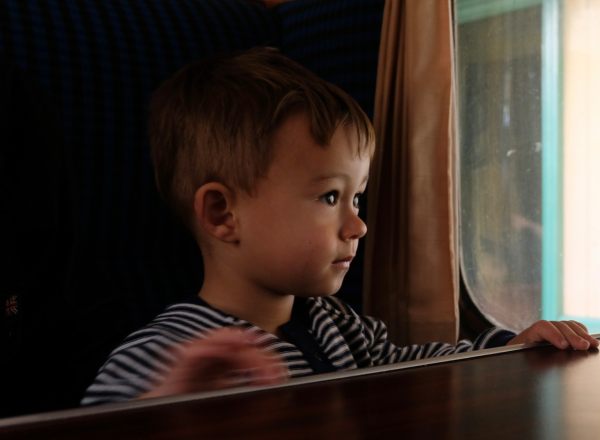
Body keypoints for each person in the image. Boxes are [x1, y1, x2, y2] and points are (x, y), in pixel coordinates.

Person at [82, 47, 598, 405]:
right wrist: (165, 409)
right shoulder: (162, 354)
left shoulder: (336, 324)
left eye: (357, 197)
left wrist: (502, 351)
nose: (358, 225)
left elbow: (412, 367)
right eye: (330, 197)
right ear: (222, 214)